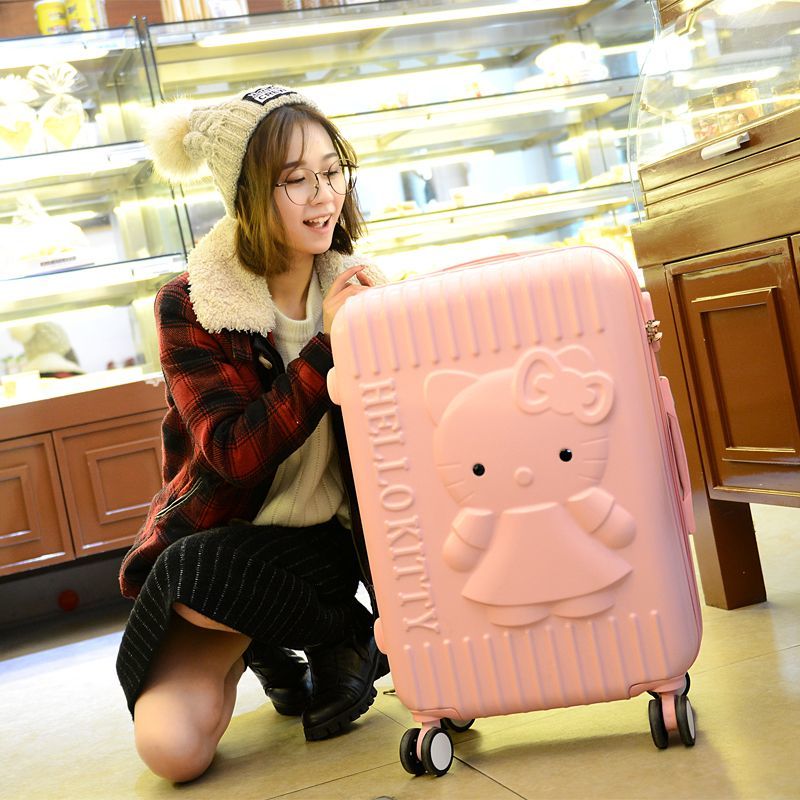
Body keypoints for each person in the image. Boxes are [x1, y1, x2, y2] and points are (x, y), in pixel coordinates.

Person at [114, 84, 388, 783]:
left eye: (332, 171)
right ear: (245, 195)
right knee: (172, 750)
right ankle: (333, 634)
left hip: (321, 547)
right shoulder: (191, 304)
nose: (323, 196)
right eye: (296, 180)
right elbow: (235, 454)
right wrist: (326, 347)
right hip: (225, 549)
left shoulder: (365, 291)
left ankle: (281, 633)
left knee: (201, 580)